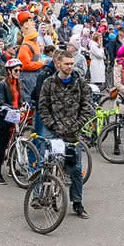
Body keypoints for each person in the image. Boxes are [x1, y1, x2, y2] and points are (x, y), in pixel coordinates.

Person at [34, 50, 91, 219]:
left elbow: (87, 106)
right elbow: (42, 107)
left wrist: (77, 124)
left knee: (76, 169)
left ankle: (78, 204)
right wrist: (52, 125)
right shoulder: (49, 83)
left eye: (72, 63)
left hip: (73, 132)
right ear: (58, 64)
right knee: (45, 163)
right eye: (67, 63)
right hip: (53, 131)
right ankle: (39, 195)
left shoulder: (80, 83)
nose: (70, 66)